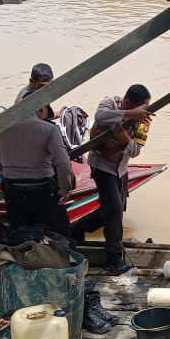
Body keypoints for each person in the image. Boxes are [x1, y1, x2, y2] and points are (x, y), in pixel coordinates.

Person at [71, 85, 152, 274]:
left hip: (121, 169)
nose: (144, 111)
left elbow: (136, 151)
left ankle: (77, 229)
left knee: (116, 207)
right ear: (129, 102)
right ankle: (114, 258)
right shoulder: (110, 103)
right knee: (114, 209)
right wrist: (130, 115)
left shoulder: (143, 121)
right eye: (142, 107)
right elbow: (100, 117)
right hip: (102, 167)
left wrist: (125, 139)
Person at [0, 89, 75, 239]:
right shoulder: (49, 129)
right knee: (60, 235)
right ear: (41, 108)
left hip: (13, 191)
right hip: (44, 190)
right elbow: (63, 163)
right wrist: (64, 188)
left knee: (20, 238)